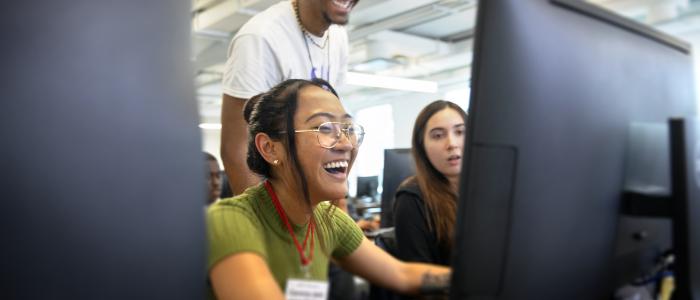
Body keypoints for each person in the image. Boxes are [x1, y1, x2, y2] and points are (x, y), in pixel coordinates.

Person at [207, 79, 450, 300]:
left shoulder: (328, 220)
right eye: (324, 129)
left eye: (348, 129)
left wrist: (478, 280)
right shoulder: (231, 220)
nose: (346, 143)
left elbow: (402, 274)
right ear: (270, 148)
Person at [220, 0, 359, 196]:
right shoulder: (260, 38)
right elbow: (236, 148)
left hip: (308, 198)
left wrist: (337, 203)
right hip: (272, 199)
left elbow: (333, 127)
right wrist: (263, 221)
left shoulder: (338, 36)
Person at [393, 100, 467, 268]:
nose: (452, 144)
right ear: (422, 147)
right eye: (438, 135)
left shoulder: (492, 191)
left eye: (460, 132)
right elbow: (418, 280)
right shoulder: (412, 199)